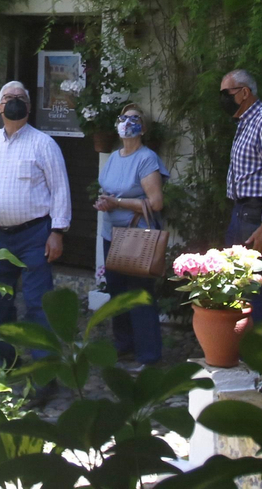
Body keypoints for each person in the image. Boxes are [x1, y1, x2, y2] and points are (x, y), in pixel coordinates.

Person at [0, 80, 71, 367]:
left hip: (34, 237)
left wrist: (57, 231)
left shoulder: (44, 144)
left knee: (38, 305)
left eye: (20, 97)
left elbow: (60, 189)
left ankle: (45, 373)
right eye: (8, 97)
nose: (14, 100)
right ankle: (9, 363)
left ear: (28, 107)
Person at [93, 102, 167, 367]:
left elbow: (156, 202)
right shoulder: (113, 156)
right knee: (117, 293)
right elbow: (110, 192)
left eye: (135, 119)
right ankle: (124, 346)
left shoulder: (147, 158)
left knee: (139, 295)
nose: (128, 122)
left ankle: (149, 355)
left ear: (143, 128)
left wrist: (119, 203)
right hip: (111, 234)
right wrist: (103, 202)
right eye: (124, 118)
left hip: (137, 237)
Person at [221, 69, 262, 322]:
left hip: (257, 213)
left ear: (244, 92)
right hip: (241, 210)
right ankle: (238, 347)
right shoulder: (246, 121)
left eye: (226, 93)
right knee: (235, 279)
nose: (223, 99)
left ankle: (258, 354)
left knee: (253, 284)